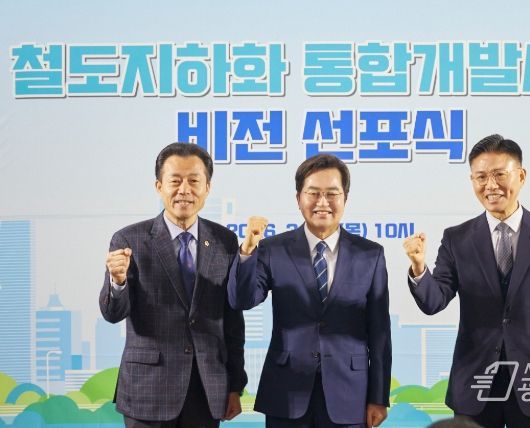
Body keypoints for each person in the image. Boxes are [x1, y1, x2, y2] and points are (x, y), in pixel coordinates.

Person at [403, 135, 530, 428]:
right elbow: (434, 301)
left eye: (499, 174)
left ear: (521, 176)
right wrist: (418, 266)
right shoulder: (457, 238)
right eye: (481, 177)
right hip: (474, 384)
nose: (490, 185)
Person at [227, 154, 392, 427]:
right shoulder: (272, 249)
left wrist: (378, 396)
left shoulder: (370, 255)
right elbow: (242, 300)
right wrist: (247, 251)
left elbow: (380, 333)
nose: (322, 202)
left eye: (332, 194)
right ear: (298, 198)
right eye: (313, 193)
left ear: (345, 198)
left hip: (350, 393)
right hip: (286, 390)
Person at [99, 142, 247, 427]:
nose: (184, 190)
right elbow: (112, 313)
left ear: (207, 188)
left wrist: (235, 385)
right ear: (159, 186)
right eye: (175, 181)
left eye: (194, 181)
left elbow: (232, 321)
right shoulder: (129, 240)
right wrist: (117, 282)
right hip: (148, 389)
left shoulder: (225, 241)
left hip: (206, 388)